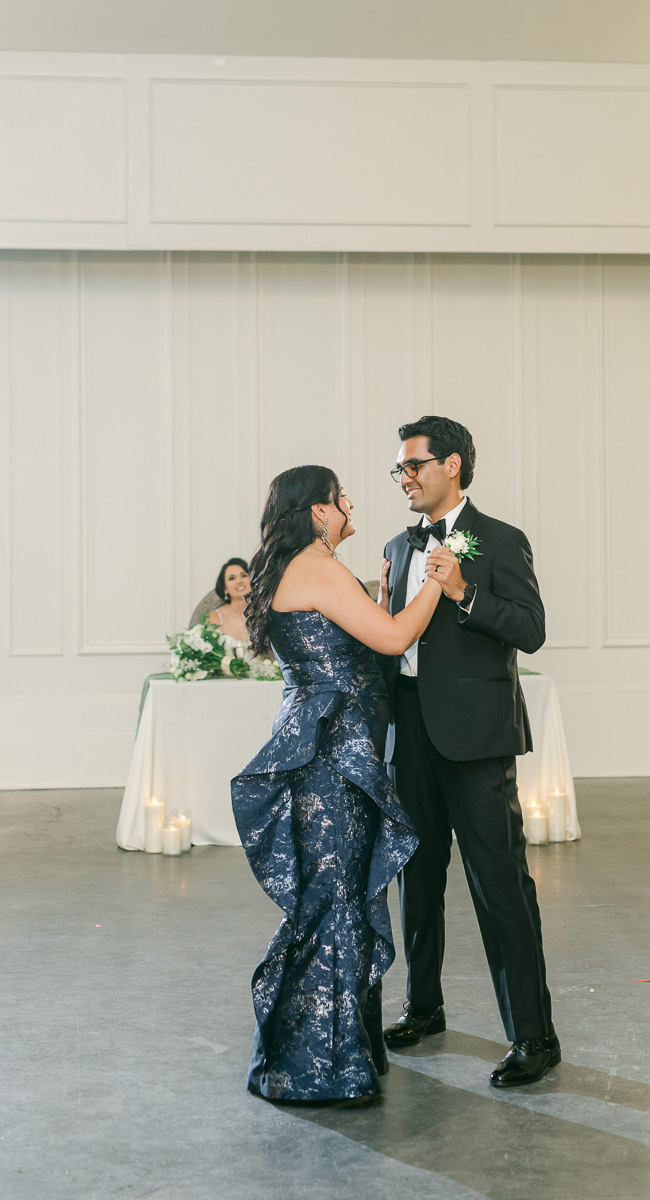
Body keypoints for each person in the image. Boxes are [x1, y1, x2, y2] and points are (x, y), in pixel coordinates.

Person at [230, 465, 443, 1104]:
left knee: (336, 896)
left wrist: (376, 592)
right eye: (339, 497)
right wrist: (435, 579)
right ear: (319, 511)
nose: (350, 503)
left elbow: (354, 643)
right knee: (336, 900)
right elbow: (397, 637)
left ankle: (335, 1052)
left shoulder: (310, 566)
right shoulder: (315, 567)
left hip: (334, 748)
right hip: (332, 756)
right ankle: (316, 1066)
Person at [381, 415, 559, 1088]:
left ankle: (534, 1039)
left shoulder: (502, 541)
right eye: (399, 469)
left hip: (477, 743)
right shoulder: (398, 548)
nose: (405, 477)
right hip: (412, 741)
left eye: (414, 465)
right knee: (416, 885)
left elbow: (532, 631)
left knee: (499, 887)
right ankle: (422, 1008)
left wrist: (464, 592)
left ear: (451, 465)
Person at [206, 558, 251, 651]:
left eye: (244, 575)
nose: (239, 581)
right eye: (232, 578)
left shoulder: (264, 613)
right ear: (225, 588)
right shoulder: (215, 617)